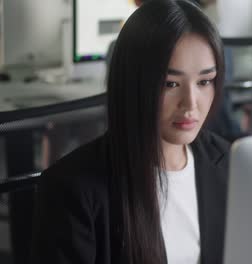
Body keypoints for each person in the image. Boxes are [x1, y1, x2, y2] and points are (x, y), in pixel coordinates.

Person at [31, 1, 229, 264]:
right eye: (170, 84)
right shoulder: (71, 190)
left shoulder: (229, 163)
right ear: (134, 83)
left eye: (204, 82)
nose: (191, 103)